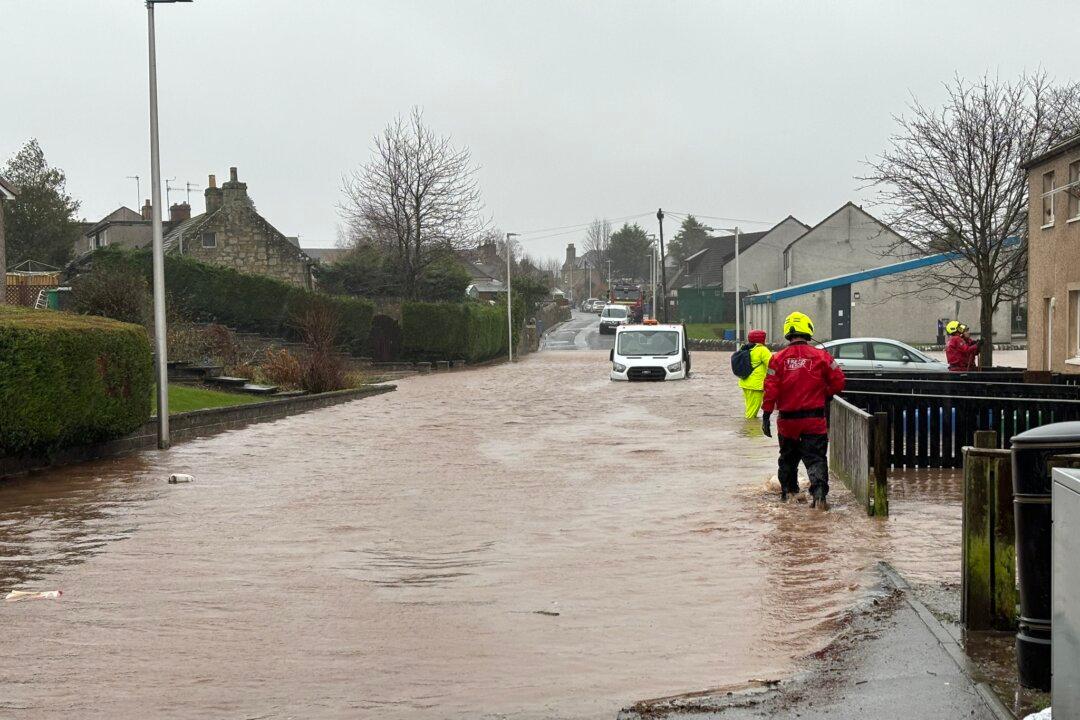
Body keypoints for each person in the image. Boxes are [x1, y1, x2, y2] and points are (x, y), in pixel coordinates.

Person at [762, 311, 846, 509]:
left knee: (787, 459)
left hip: (787, 422)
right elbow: (839, 381)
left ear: (787, 333)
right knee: (816, 459)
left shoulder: (777, 359)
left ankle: (789, 495)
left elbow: (770, 389)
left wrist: (766, 415)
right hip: (814, 420)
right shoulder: (822, 356)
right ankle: (819, 497)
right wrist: (825, 393)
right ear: (808, 330)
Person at [738, 329, 772, 419]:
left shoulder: (746, 348)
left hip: (745, 383)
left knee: (749, 408)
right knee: (751, 414)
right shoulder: (762, 350)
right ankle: (750, 431)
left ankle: (747, 430)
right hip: (756, 386)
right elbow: (772, 364)